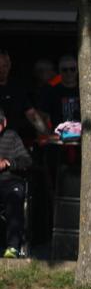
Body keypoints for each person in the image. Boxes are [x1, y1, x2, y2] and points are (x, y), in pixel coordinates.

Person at [0, 108, 33, 258]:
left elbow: (27, 161)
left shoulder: (12, 137)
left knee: (14, 199)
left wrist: (8, 163)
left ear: (4, 122)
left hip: (10, 180)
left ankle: (13, 247)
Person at [0, 50, 41, 137]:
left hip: (14, 139)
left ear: (10, 65)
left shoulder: (16, 88)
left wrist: (47, 134)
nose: (2, 70)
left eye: (4, 66)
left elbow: (32, 115)